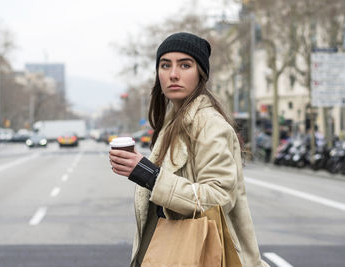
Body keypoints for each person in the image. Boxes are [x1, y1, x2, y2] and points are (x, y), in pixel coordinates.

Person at [109, 32, 269, 267]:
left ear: (200, 73)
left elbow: (218, 198)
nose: (173, 74)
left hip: (205, 255)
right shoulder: (174, 122)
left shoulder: (209, 124)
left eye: (185, 65)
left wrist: (150, 176)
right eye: (165, 65)